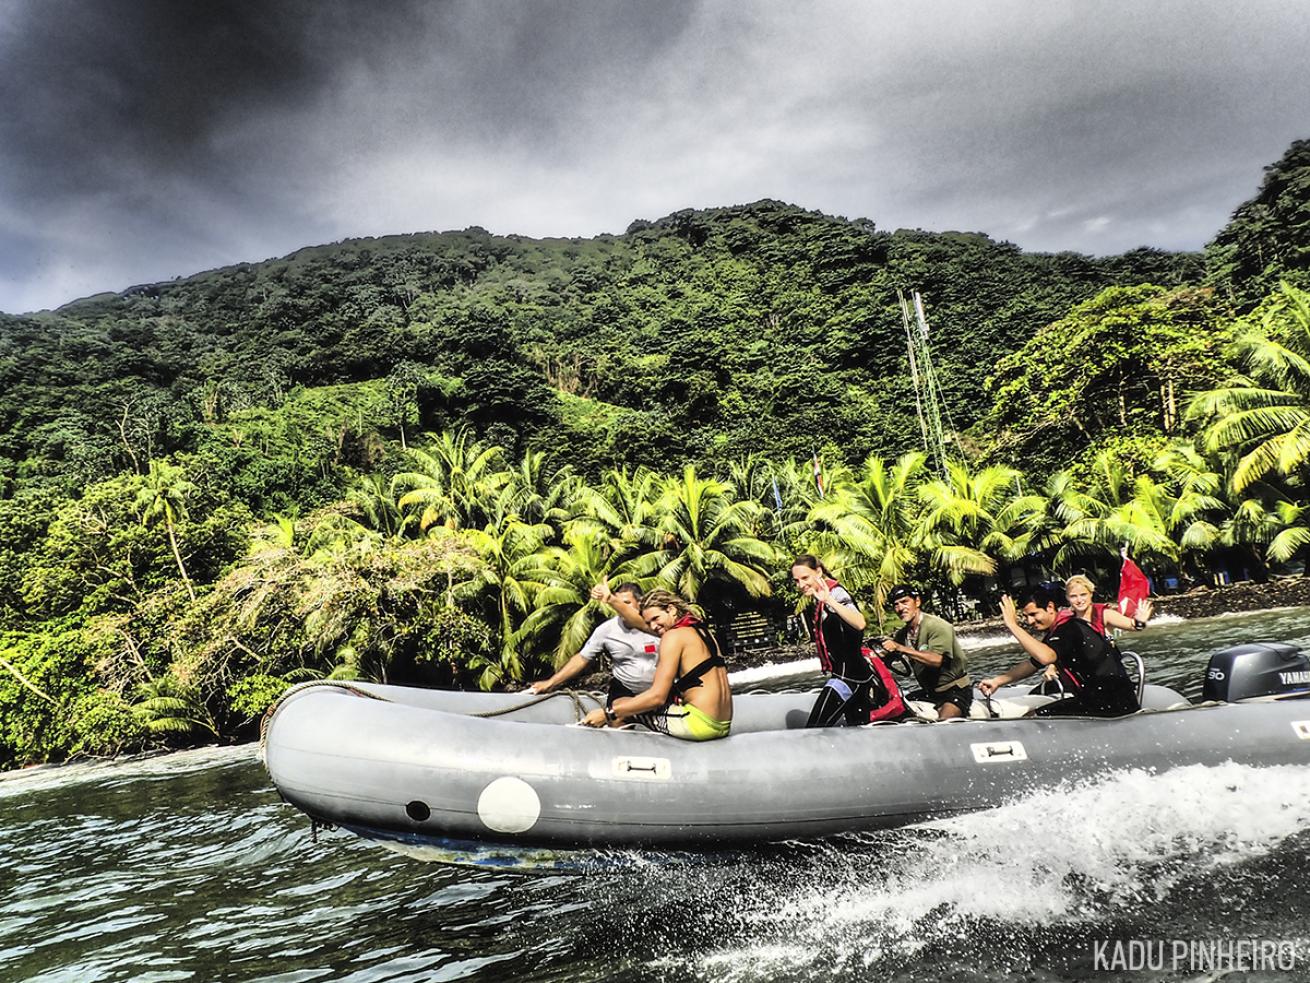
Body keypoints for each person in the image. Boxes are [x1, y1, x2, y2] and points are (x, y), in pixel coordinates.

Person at [580, 589, 732, 741]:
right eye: (648, 623)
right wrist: (611, 599)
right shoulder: (701, 631)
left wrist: (607, 713)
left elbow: (657, 697)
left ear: (671, 609)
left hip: (698, 724)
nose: (652, 627)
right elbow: (638, 622)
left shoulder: (672, 637)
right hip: (723, 724)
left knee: (620, 704)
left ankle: (622, 756)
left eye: (655, 618)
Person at [979, 584, 1140, 717]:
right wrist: (997, 681)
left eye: (1034, 614)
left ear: (1050, 607)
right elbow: (1032, 663)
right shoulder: (1057, 632)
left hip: (1112, 701)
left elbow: (1045, 657)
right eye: (1026, 616)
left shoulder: (1068, 629)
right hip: (1096, 698)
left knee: (1033, 717)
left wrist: (1013, 626)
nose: (1030, 621)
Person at [790, 554, 887, 727]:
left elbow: (859, 622)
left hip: (849, 679)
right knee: (856, 728)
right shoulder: (819, 597)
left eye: (805, 578)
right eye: (796, 581)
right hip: (852, 677)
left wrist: (829, 600)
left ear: (818, 572)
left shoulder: (835, 593)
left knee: (814, 729)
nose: (801, 585)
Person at [528, 582, 658, 709]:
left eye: (627, 603)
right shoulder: (606, 629)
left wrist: (610, 598)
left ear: (639, 603)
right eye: (618, 603)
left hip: (658, 690)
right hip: (625, 690)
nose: (621, 607)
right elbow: (582, 659)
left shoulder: (656, 627)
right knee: (617, 715)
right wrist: (551, 683)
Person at [880, 584, 973, 719]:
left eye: (905, 602)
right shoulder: (902, 635)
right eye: (896, 605)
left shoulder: (937, 626)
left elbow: (936, 660)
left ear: (917, 602)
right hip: (929, 692)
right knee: (896, 711)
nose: (900, 608)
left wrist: (900, 648)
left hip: (954, 689)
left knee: (945, 721)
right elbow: (887, 658)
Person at [1059, 574, 1153, 637]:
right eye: (1073, 596)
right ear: (1067, 598)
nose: (1079, 600)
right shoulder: (1066, 620)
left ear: (1091, 594)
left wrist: (1140, 621)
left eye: (1083, 595)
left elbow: (1133, 626)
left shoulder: (1104, 614)